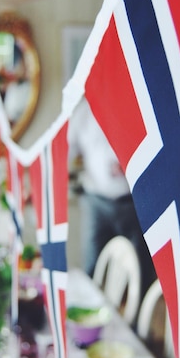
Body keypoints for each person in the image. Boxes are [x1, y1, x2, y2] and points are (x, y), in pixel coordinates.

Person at [67, 97, 156, 300]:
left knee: (140, 270)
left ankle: (136, 327)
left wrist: (133, 162)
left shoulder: (138, 103)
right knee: (92, 265)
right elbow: (67, 151)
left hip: (134, 202)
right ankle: (89, 319)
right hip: (96, 201)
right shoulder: (82, 111)